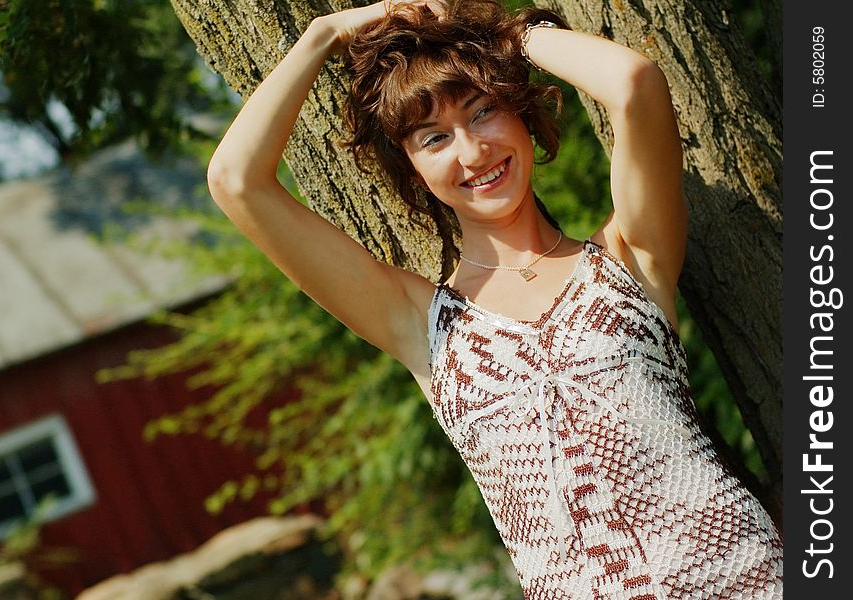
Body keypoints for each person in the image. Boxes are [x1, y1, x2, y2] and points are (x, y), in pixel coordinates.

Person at [206, 0, 784, 597]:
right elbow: (235, 180)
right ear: (412, 171)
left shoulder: (631, 257)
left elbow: (634, 82)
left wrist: (509, 37)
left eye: (484, 112)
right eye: (435, 137)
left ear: (523, 113)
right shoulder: (417, 324)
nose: (473, 151)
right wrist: (324, 35)